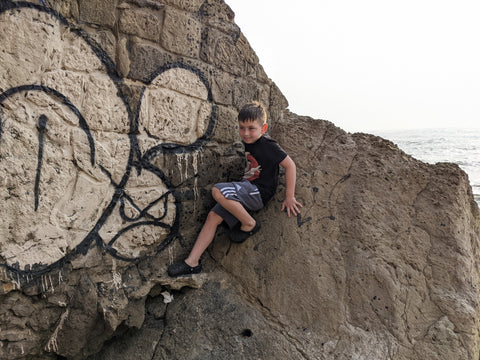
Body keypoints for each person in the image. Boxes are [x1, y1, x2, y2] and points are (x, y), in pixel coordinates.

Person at [167, 101, 302, 277]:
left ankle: (249, 223)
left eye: (251, 128)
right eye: (241, 128)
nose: (245, 133)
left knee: (218, 191)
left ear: (263, 128)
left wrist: (289, 196)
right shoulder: (250, 142)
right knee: (213, 216)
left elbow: (290, 165)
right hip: (245, 190)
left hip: (258, 192)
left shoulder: (268, 145)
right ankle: (192, 262)